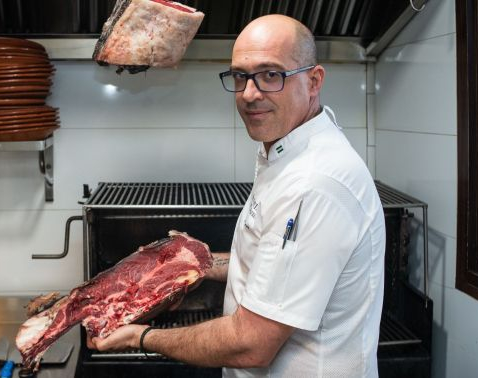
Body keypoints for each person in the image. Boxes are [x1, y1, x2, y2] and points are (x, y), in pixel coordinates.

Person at [87, 14, 386, 378]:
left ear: (313, 81)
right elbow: (274, 263)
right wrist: (196, 263)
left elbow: (252, 342)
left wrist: (141, 337)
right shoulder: (287, 152)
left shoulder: (314, 182)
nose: (249, 93)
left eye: (270, 74)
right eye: (240, 76)